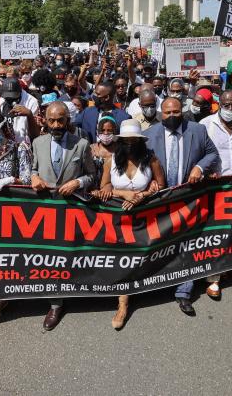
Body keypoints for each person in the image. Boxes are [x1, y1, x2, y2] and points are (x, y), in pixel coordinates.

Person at [144, 97, 218, 315]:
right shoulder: (149, 135)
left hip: (188, 199)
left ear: (182, 111)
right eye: (167, 112)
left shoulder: (198, 130)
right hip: (160, 200)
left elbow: (212, 153)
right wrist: (150, 181)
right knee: (161, 245)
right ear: (161, 113)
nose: (172, 116)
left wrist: (199, 167)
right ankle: (157, 284)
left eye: (176, 112)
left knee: (187, 246)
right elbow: (140, 163)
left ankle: (184, 291)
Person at [92, 119, 164, 329]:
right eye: (126, 140)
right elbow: (104, 187)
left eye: (134, 140)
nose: (130, 144)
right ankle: (122, 303)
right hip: (118, 218)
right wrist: (124, 193)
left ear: (140, 141)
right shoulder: (112, 161)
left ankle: (129, 299)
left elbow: (161, 185)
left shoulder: (151, 159)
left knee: (137, 259)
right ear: (120, 141)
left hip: (144, 218)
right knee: (121, 259)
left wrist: (144, 195)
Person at [30, 101, 96, 331]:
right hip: (46, 211)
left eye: (61, 120)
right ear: (45, 121)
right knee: (50, 257)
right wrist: (34, 177)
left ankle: (78, 290)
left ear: (68, 120)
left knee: (71, 255)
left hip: (72, 210)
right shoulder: (37, 143)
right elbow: (34, 169)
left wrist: (77, 182)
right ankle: (55, 303)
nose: (56, 125)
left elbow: (92, 175)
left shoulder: (82, 144)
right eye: (52, 121)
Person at [200, 90, 232, 299]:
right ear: (218, 104)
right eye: (226, 105)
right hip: (216, 186)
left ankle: (228, 265)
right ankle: (213, 277)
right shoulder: (206, 124)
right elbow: (200, 155)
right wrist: (206, 172)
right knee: (216, 231)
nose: (230, 109)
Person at [0, 77, 39, 144]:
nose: (11, 100)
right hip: (6, 145)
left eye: (14, 98)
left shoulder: (32, 102)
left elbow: (35, 135)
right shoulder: (0, 103)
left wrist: (29, 115)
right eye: (8, 98)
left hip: (25, 146)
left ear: (20, 91)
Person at [89, 116, 117, 187]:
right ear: (98, 131)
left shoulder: (119, 150)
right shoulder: (91, 149)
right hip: (92, 188)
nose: (106, 133)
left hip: (112, 189)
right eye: (102, 130)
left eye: (109, 130)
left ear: (114, 131)